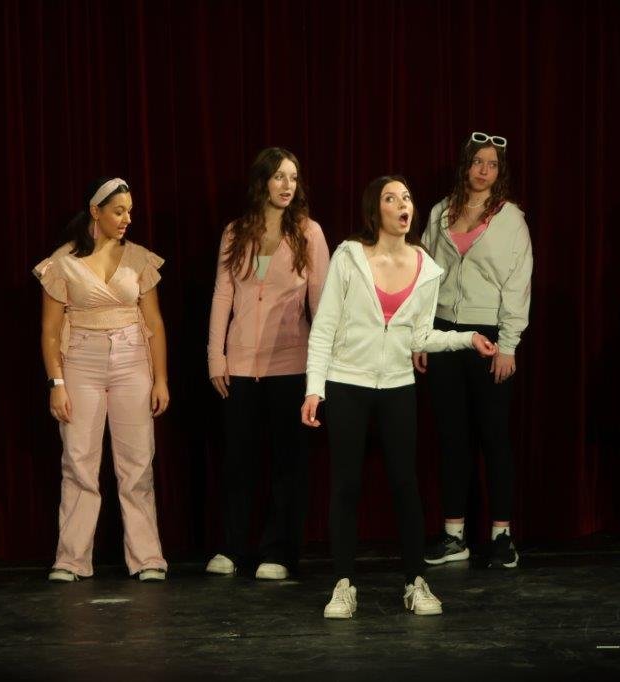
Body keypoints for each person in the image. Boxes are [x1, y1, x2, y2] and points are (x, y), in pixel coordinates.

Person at [301, 175, 497, 618]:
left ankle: (415, 582)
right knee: (346, 485)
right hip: (346, 380)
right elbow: (325, 327)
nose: (402, 204)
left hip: (396, 386)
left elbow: (421, 336)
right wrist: (315, 389)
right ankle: (344, 584)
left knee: (405, 484)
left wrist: (467, 339)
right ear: (376, 211)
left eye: (406, 197)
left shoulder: (427, 268)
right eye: (391, 199)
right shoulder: (349, 257)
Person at [34, 177, 169, 582]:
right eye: (119, 211)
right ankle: (71, 559)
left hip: (132, 360)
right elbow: (50, 331)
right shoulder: (63, 263)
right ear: (96, 211)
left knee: (137, 464)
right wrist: (56, 384)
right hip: (81, 363)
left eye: (129, 211)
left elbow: (156, 324)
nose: (127, 218)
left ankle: (147, 558)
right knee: (78, 462)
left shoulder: (140, 259)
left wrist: (161, 379)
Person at [205, 147, 330, 580]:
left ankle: (277, 552)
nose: (287, 185)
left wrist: (319, 372)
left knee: (287, 464)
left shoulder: (309, 233)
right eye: (279, 177)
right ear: (262, 182)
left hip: (290, 364)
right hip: (239, 365)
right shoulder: (235, 232)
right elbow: (224, 295)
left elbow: (322, 305)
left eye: (293, 177)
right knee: (238, 461)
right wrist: (215, 357)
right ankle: (232, 548)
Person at [418, 131, 533, 569]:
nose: (484, 171)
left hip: (489, 337)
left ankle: (502, 535)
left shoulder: (510, 219)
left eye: (493, 165)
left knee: (493, 436)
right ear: (464, 165)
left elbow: (518, 285)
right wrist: (421, 335)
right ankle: (453, 536)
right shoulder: (438, 213)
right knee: (451, 437)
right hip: (444, 332)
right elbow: (425, 277)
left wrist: (508, 344)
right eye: (478, 162)